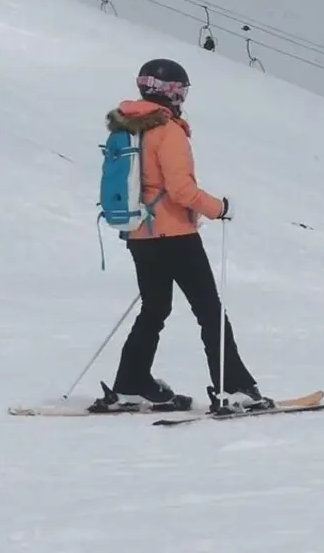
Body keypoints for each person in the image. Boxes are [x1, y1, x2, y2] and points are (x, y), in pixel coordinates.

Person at [90, 58, 275, 414]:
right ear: (171, 93)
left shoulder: (126, 128)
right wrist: (219, 207)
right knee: (209, 311)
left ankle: (130, 384)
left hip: (138, 234)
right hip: (175, 235)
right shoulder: (168, 131)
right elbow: (181, 190)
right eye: (182, 91)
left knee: (155, 308)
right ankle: (233, 388)